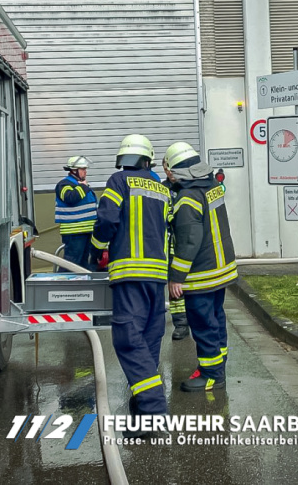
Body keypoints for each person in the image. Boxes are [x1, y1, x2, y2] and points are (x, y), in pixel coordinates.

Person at [91, 134, 170, 427]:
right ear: (147, 160)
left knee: (127, 338)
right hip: (157, 275)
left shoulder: (119, 181)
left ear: (123, 159)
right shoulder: (162, 188)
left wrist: (97, 247)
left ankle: (153, 408)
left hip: (129, 272)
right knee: (149, 339)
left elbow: (107, 220)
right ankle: (142, 405)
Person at [162, 142, 237, 392]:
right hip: (220, 269)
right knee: (216, 318)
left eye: (170, 170)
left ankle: (212, 375)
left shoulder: (188, 198)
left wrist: (176, 277)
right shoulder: (212, 186)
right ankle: (219, 364)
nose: (169, 175)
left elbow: (188, 241)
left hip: (201, 274)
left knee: (203, 324)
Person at [161, 157, 190, 341]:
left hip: (189, 246)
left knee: (192, 285)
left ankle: (195, 319)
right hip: (171, 248)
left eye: (172, 168)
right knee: (175, 289)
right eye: (166, 169)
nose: (169, 172)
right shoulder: (161, 188)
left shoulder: (188, 187)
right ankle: (181, 324)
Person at [54, 156, 97, 271]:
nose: (85, 171)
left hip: (86, 231)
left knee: (82, 265)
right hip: (74, 232)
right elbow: (70, 198)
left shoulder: (80, 185)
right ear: (74, 170)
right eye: (82, 169)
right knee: (71, 263)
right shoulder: (64, 184)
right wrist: (83, 187)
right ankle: (63, 281)